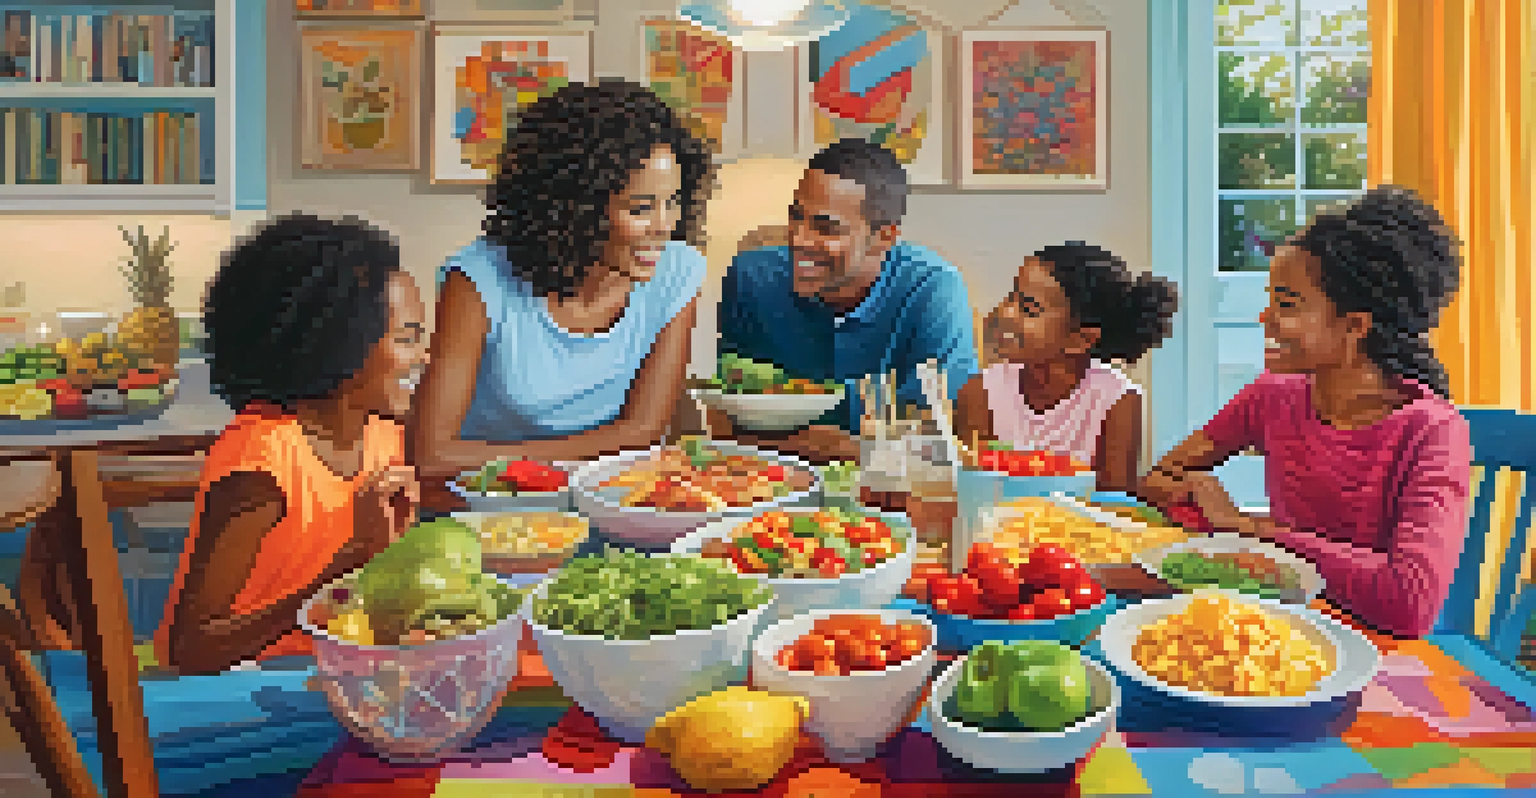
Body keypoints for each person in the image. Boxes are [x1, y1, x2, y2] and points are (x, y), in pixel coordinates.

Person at [1139, 185, 1470, 638]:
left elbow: (1408, 603)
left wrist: (1247, 529)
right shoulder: (1272, 396)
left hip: (1383, 649)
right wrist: (1199, 500)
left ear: (1355, 326)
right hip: (1285, 625)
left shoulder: (1433, 432)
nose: (1265, 319)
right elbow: (1161, 478)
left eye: (1287, 305)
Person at [153, 214, 428, 674]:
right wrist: (343, 570)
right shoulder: (261, 461)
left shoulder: (383, 436)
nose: (423, 357)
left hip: (331, 670)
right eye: (406, 339)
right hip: (243, 687)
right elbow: (191, 649)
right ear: (338, 345)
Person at [412, 80, 713, 479]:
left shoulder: (678, 272)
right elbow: (433, 454)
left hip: (609, 494)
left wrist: (543, 464)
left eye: (672, 202)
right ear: (575, 209)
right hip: (488, 502)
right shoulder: (479, 280)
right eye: (641, 208)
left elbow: (644, 431)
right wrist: (582, 459)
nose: (663, 227)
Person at [714, 138, 978, 463]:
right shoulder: (750, 277)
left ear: (883, 237)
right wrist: (841, 439)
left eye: (826, 229)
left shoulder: (933, 287)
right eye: (796, 217)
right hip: (767, 483)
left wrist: (839, 447)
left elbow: (942, 429)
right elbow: (726, 414)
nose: (799, 240)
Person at [955, 243, 1179, 492]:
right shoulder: (980, 393)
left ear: (1080, 340)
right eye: (1011, 297)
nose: (1005, 313)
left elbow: (1115, 504)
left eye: (1028, 309)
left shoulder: (1118, 401)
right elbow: (976, 490)